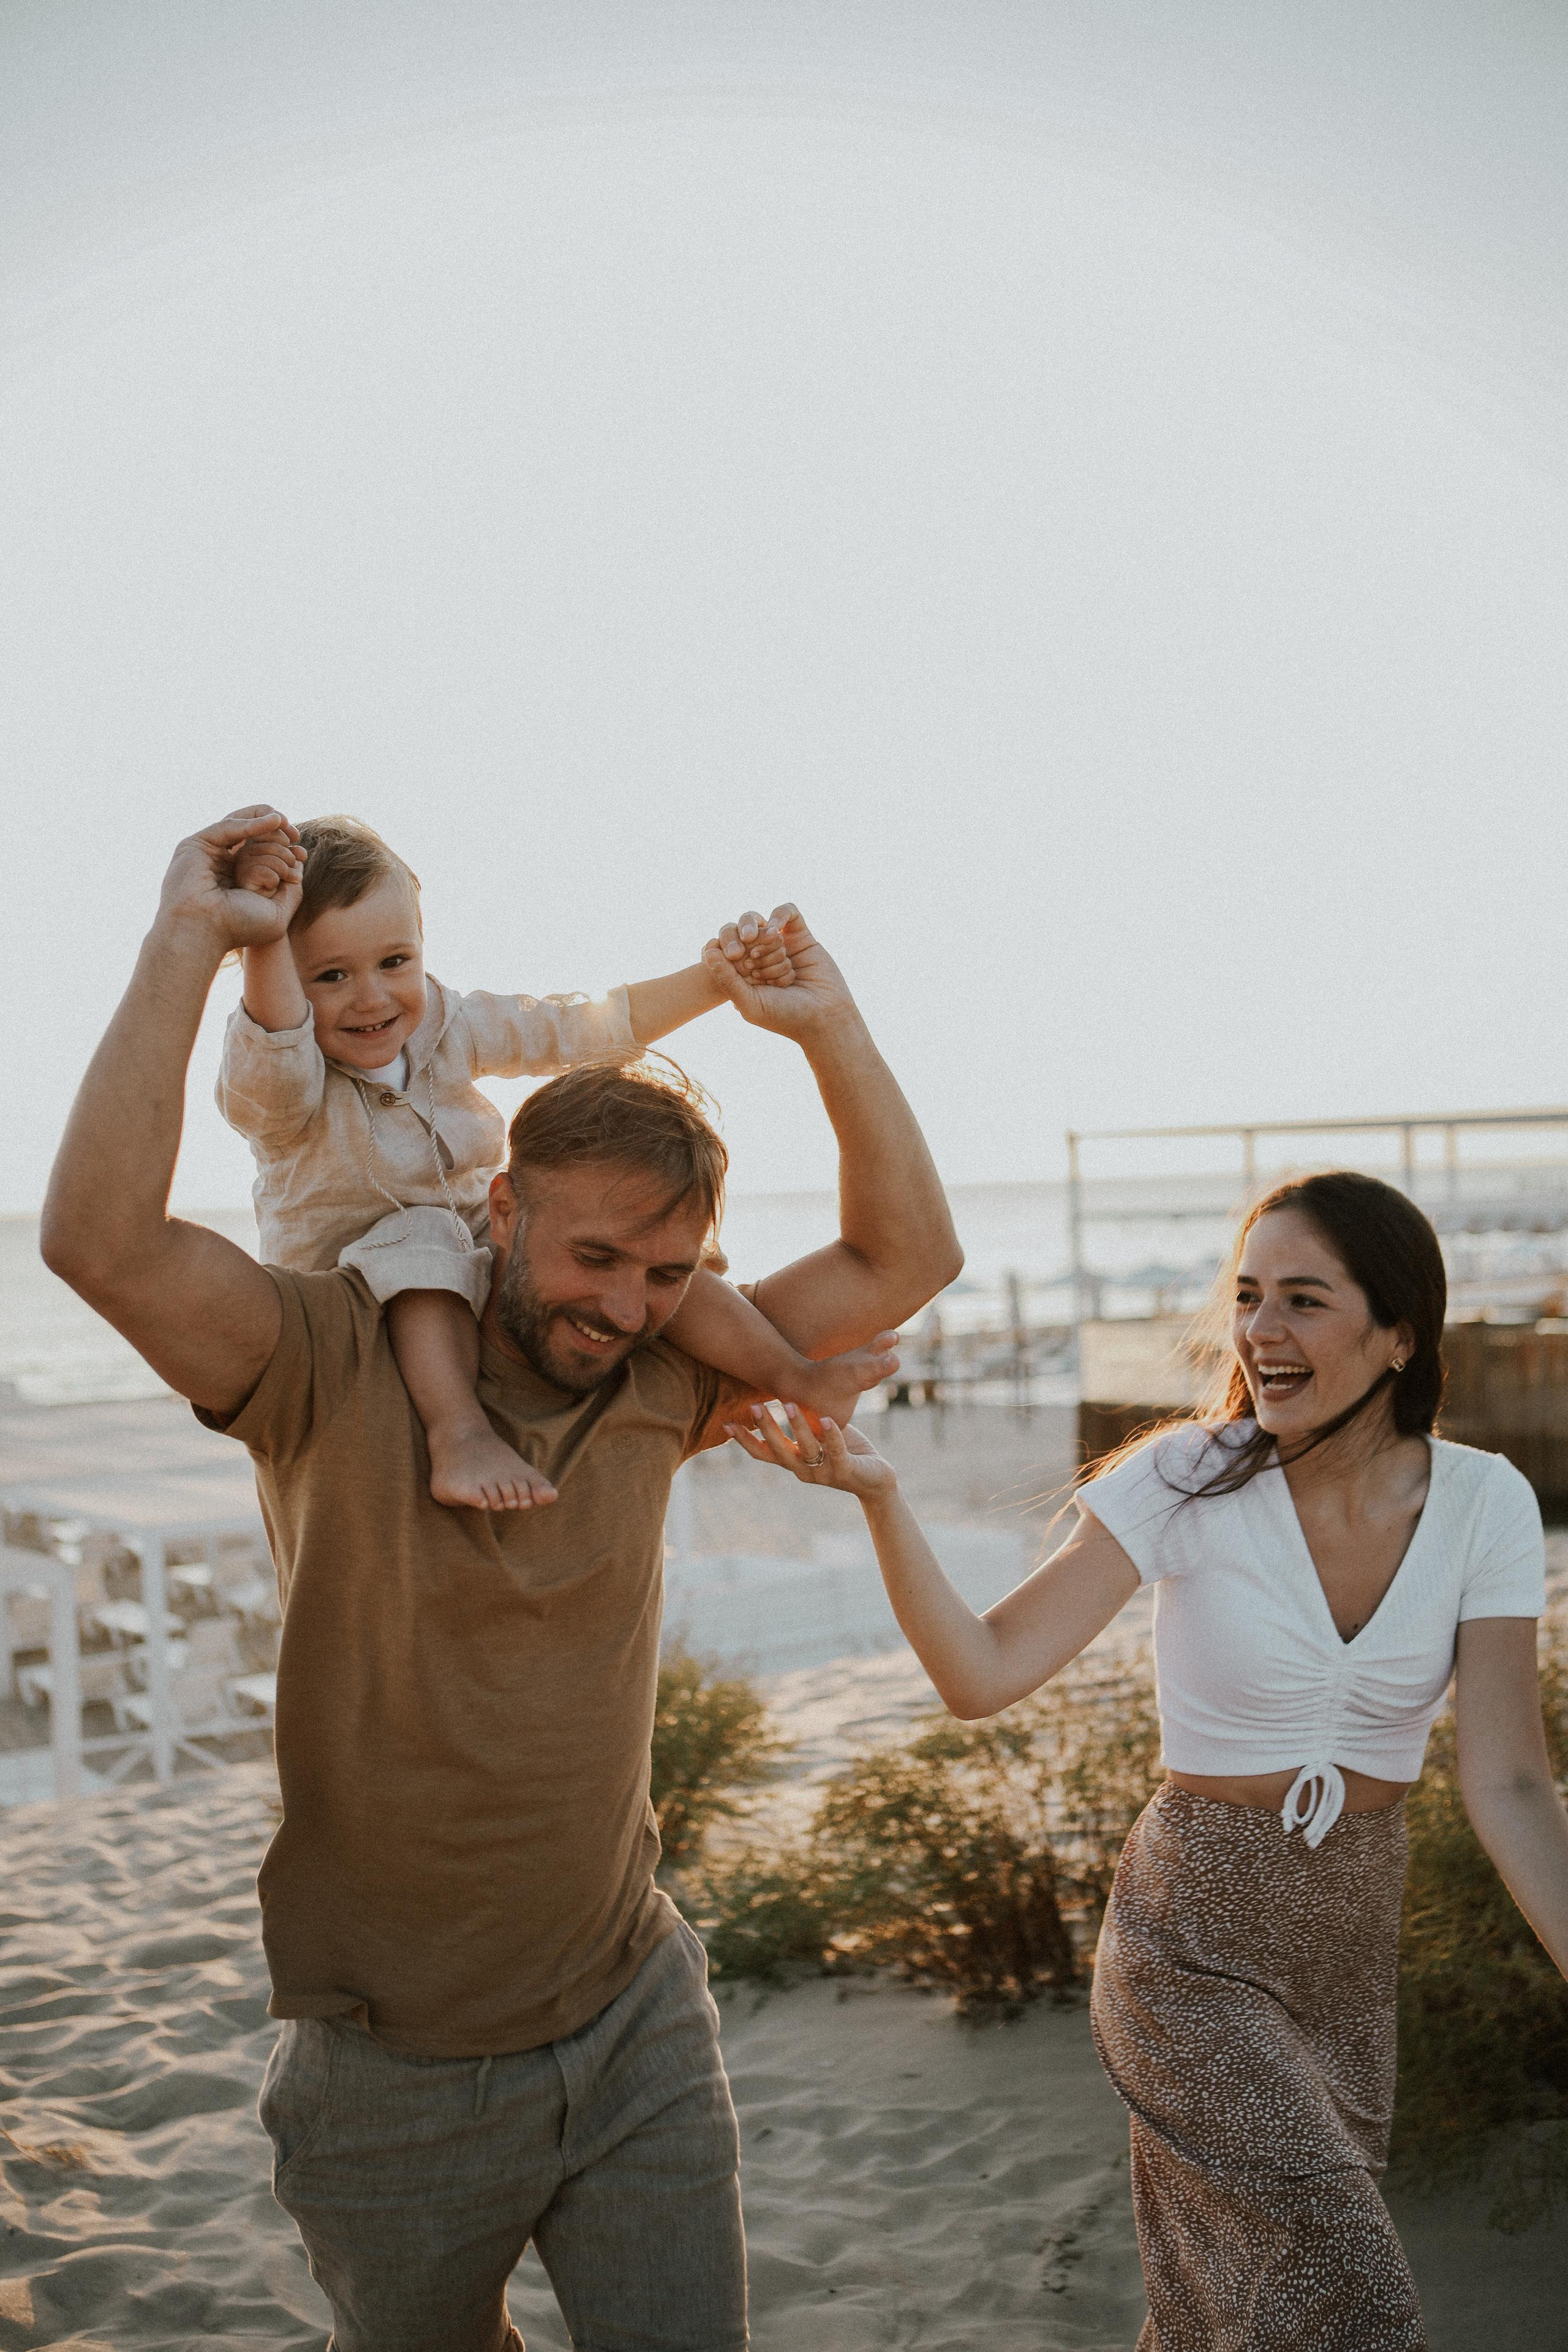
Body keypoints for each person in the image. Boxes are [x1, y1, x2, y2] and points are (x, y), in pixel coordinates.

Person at [40, 806, 963, 2352]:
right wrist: (185, 941)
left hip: (635, 2010)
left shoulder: (662, 1376)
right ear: (499, 1206)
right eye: (593, 1258)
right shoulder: (322, 1355)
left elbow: (903, 1252)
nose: (624, 1303)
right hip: (392, 2062)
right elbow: (100, 1243)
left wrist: (829, 1022)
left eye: (666, 1273)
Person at [726, 1169, 1568, 2350]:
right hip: (1189, 1946)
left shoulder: (1484, 1504)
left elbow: (1513, 1782)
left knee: (1223, 2311)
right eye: (1248, 1296)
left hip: (1345, 1946)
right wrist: (880, 1497)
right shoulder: (1183, 1477)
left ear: (1398, 1336)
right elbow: (982, 1672)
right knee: (1354, 2297)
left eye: (1304, 1301)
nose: (1262, 1332)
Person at [219, 806, 898, 1511]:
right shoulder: (283, 1078)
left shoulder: (449, 1023)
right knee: (423, 1238)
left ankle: (793, 1374)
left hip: (473, 1246)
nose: (372, 997)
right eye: (329, 976)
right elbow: (273, 1041)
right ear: (279, 980)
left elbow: (580, 1029)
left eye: (396, 962)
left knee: (644, 1253)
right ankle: (461, 1436)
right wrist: (262, 934)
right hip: (350, 1283)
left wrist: (714, 980)